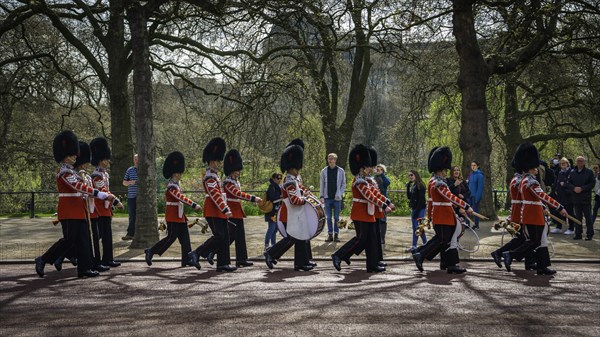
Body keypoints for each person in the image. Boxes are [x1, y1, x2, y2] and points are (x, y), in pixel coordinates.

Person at [35, 131, 115, 278]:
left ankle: (84, 268)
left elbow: (82, 189)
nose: (75, 157)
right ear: (64, 155)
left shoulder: (74, 172)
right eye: (72, 155)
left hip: (79, 209)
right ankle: (44, 259)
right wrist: (98, 193)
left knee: (84, 239)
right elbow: (78, 187)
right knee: (69, 239)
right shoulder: (64, 172)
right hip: (69, 209)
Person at [503, 142, 569, 275]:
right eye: (534, 167)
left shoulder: (525, 180)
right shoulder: (530, 181)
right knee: (534, 241)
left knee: (539, 240)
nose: (537, 169)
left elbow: (538, 199)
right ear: (530, 167)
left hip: (533, 213)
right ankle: (510, 254)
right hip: (532, 214)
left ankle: (541, 266)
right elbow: (543, 196)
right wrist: (559, 207)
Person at [412, 147, 473, 274]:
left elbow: (431, 201)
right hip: (443, 215)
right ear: (441, 170)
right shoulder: (439, 182)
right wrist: (466, 206)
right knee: (442, 240)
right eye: (445, 170)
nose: (446, 172)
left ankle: (449, 263)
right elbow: (450, 197)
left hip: (443, 215)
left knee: (448, 240)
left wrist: (430, 216)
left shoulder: (434, 181)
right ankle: (420, 254)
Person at [331, 144, 391, 272]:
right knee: (361, 239)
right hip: (360, 213)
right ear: (362, 168)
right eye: (367, 167)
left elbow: (375, 194)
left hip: (367, 213)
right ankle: (339, 255)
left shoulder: (365, 179)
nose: (370, 169)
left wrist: (386, 201)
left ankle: (372, 265)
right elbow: (369, 196)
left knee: (369, 240)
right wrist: (384, 205)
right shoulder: (359, 181)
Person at [264, 143, 315, 271]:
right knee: (292, 238)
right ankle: (271, 254)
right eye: (296, 168)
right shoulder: (290, 180)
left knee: (297, 238)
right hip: (290, 214)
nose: (298, 170)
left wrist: (306, 193)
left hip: (294, 214)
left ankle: (301, 263)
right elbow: (294, 200)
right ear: (291, 168)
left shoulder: (293, 178)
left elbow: (299, 190)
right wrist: (305, 200)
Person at [189, 137, 237, 272]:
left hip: (218, 210)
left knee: (225, 237)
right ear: (212, 161)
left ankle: (223, 263)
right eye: (218, 161)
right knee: (219, 236)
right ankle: (196, 253)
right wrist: (225, 208)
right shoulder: (209, 176)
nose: (220, 163)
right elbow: (214, 194)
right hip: (213, 210)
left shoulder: (215, 175)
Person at [490, 144, 536, 271]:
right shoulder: (519, 180)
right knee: (524, 238)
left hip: (520, 210)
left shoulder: (518, 179)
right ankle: (499, 253)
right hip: (519, 212)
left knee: (523, 238)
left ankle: (530, 261)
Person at [219, 149, 262, 267]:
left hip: (237, 211)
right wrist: (253, 198)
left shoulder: (235, 181)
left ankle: (241, 259)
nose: (238, 172)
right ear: (231, 170)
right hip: (231, 211)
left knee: (240, 237)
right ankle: (214, 252)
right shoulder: (228, 182)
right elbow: (237, 194)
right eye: (236, 170)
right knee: (230, 236)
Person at [90, 137, 124, 268]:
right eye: (106, 159)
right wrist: (116, 201)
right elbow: (102, 190)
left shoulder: (104, 174)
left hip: (106, 208)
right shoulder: (96, 175)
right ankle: (97, 260)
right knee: (100, 236)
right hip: (99, 209)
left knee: (107, 237)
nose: (108, 161)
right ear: (100, 160)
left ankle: (108, 259)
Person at [565, 156, 595, 240]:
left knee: (588, 217)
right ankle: (578, 234)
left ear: (584, 162)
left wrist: (582, 188)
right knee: (577, 217)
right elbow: (568, 183)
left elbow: (592, 184)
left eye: (581, 161)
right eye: (578, 161)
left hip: (586, 198)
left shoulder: (589, 172)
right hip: (576, 198)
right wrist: (574, 188)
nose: (579, 162)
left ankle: (589, 234)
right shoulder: (572, 172)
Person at [319, 153, 346, 242]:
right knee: (329, 217)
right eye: (329, 159)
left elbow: (343, 184)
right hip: (327, 197)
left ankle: (336, 234)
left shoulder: (341, 171)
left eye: (332, 159)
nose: (330, 160)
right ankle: (330, 234)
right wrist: (321, 196)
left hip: (337, 198)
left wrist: (340, 193)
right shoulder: (324, 171)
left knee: (337, 218)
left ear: (335, 160)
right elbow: (322, 184)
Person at [550, 157, 574, 234]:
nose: (562, 165)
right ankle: (558, 227)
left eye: (564, 163)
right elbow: (557, 182)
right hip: (560, 196)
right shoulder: (560, 172)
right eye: (561, 164)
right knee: (558, 211)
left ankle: (571, 228)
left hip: (568, 196)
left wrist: (565, 185)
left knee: (569, 212)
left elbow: (572, 184)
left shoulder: (571, 172)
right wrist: (556, 190)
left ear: (567, 164)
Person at [406, 170, 427, 252]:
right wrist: (408, 187)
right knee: (415, 228)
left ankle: (425, 243)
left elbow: (421, 200)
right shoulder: (414, 185)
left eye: (411, 175)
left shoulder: (420, 185)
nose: (410, 177)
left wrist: (417, 212)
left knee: (418, 227)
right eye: (409, 175)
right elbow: (409, 197)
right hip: (415, 208)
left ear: (416, 175)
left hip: (420, 209)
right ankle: (414, 246)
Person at [264, 173, 282, 250]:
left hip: (276, 211)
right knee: (271, 228)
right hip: (271, 211)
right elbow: (272, 198)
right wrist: (280, 197)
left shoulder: (278, 187)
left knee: (274, 229)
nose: (279, 180)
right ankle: (267, 245)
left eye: (280, 178)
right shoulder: (271, 187)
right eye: (278, 178)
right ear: (274, 179)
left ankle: (273, 245)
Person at [121, 154, 138, 240]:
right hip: (132, 196)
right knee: (132, 216)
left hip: (141, 198)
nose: (137, 161)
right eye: (135, 159)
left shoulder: (144, 170)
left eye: (138, 159)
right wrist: (132, 182)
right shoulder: (130, 170)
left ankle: (136, 233)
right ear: (133, 160)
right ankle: (130, 234)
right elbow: (124, 182)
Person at [374, 163, 391, 245]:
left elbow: (387, 183)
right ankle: (376, 237)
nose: (377, 171)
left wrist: (382, 174)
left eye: (379, 169)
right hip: (375, 201)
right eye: (376, 169)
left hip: (384, 200)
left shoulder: (384, 178)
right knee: (376, 219)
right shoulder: (373, 178)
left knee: (383, 220)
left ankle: (382, 238)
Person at [467, 161, 484, 229]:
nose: (473, 167)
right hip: (469, 196)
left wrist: (477, 197)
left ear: (478, 166)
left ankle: (476, 225)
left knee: (475, 211)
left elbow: (480, 187)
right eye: (472, 165)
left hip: (475, 196)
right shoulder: (471, 174)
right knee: (467, 209)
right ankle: (467, 224)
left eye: (474, 165)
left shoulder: (480, 175)